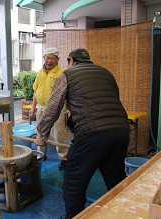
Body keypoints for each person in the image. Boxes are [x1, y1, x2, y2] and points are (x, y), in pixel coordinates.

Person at [34, 48, 130, 219]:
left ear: (71, 60)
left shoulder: (67, 74)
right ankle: (124, 212)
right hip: (121, 131)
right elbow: (108, 101)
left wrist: (41, 134)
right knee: (115, 178)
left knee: (73, 181)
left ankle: (73, 216)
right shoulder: (106, 72)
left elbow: (53, 108)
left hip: (91, 134)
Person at [29, 47, 68, 170]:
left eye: (52, 58)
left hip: (58, 109)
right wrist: (33, 107)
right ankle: (41, 154)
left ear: (57, 59)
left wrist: (69, 109)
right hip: (42, 107)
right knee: (41, 131)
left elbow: (66, 94)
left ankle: (64, 159)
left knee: (59, 133)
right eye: (47, 58)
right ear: (43, 58)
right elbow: (36, 89)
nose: (49, 61)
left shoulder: (61, 74)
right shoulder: (40, 72)